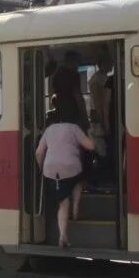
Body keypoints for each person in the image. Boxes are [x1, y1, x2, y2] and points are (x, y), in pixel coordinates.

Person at [36, 99, 96, 248]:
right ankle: (76, 207)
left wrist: (41, 168)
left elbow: (39, 152)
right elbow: (91, 146)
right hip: (71, 168)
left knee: (63, 203)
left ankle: (63, 235)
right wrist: (91, 133)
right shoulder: (74, 128)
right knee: (78, 179)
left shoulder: (49, 130)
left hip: (51, 171)